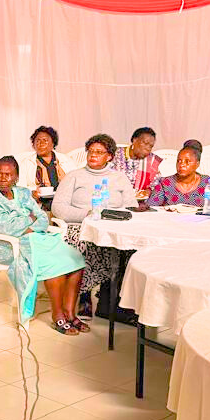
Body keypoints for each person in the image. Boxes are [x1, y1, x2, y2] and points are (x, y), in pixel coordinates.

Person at [0, 157, 87, 335]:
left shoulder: (22, 193)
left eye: (8, 175)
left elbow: (42, 217)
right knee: (54, 264)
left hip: (36, 238)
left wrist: (30, 225)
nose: (2, 178)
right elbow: (6, 227)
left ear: (16, 177)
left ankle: (69, 312)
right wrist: (29, 220)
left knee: (75, 258)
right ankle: (58, 315)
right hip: (7, 247)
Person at [53, 134, 135, 318]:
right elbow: (57, 207)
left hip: (113, 227)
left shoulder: (119, 178)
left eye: (99, 152)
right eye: (90, 151)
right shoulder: (74, 177)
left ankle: (114, 301)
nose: (93, 155)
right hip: (79, 226)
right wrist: (87, 216)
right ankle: (84, 296)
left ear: (109, 156)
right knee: (86, 243)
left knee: (131, 248)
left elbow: (132, 207)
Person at [146, 140, 210, 207]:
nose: (182, 164)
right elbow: (151, 208)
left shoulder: (208, 182)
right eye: (179, 161)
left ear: (197, 164)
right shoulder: (165, 183)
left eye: (187, 161)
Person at [109, 127, 162, 200]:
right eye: (145, 143)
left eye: (151, 146)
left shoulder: (151, 161)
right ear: (134, 140)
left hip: (140, 203)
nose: (148, 148)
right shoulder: (115, 155)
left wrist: (148, 192)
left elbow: (157, 185)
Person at [28, 125, 65, 212]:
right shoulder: (26, 163)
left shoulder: (65, 160)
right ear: (33, 145)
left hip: (63, 201)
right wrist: (31, 192)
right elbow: (20, 185)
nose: (41, 144)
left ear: (53, 143)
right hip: (39, 204)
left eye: (45, 141)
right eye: (37, 141)